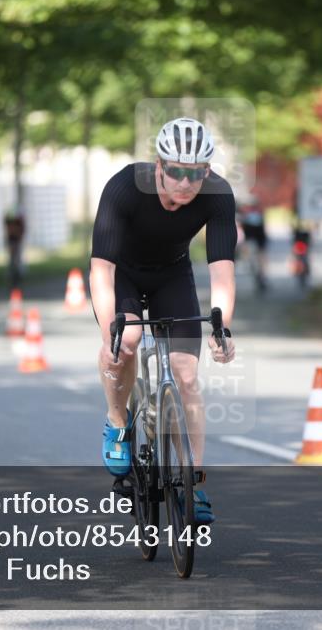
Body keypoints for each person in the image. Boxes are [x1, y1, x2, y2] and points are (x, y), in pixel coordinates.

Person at [89, 117, 237, 525]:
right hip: (122, 273)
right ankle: (118, 420)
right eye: (176, 171)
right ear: (159, 165)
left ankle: (196, 481)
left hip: (172, 274)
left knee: (186, 375)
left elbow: (222, 271)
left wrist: (221, 328)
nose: (185, 182)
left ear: (206, 171)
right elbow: (100, 269)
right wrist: (110, 336)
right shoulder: (124, 187)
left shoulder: (218, 194)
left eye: (195, 173)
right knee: (129, 341)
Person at [237, 196, 268, 292]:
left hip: (254, 239)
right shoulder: (260, 214)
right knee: (260, 257)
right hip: (258, 240)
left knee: (257, 257)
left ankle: (258, 271)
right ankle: (261, 273)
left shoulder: (245, 215)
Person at [3, 204, 26, 288]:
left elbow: (21, 231)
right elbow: (8, 231)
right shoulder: (8, 220)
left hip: (17, 240)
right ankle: (12, 274)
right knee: (11, 258)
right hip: (11, 239)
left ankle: (19, 273)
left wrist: (19, 238)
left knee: (18, 257)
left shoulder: (19, 221)